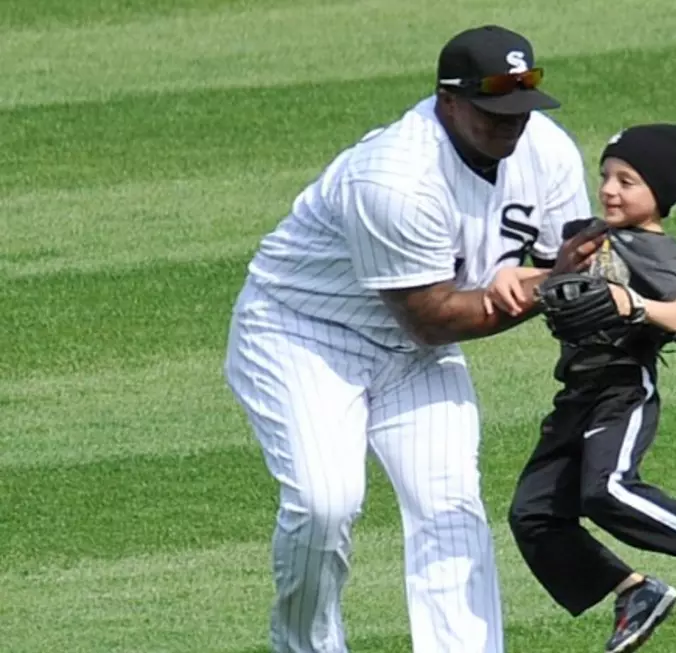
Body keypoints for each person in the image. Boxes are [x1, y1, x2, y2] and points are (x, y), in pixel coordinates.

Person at [222, 24, 605, 653]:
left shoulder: (548, 152)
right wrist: (544, 289)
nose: (511, 125)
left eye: (521, 108)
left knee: (449, 507)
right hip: (304, 334)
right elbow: (430, 317)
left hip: (415, 355)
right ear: (448, 101)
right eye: (493, 111)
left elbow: (565, 268)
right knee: (326, 504)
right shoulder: (394, 177)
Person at [485, 124, 676, 653]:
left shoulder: (653, 249)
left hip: (621, 388)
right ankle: (633, 592)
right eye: (606, 176)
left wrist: (632, 304)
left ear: (658, 194)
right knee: (533, 513)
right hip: (575, 395)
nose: (610, 189)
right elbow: (556, 278)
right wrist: (513, 280)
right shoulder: (592, 234)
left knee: (607, 489)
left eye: (628, 180)